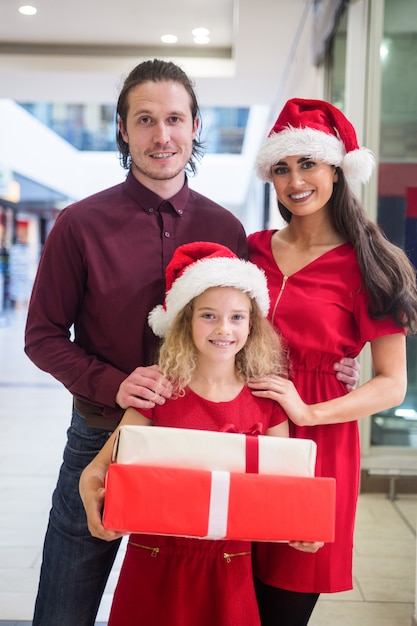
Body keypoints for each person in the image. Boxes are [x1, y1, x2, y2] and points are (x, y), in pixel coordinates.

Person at [24, 58, 358, 625]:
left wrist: (335, 362)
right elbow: (42, 336)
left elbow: (255, 316)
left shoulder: (225, 229)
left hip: (207, 442)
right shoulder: (79, 225)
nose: (163, 135)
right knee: (64, 605)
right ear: (123, 129)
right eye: (146, 119)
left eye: (175, 118)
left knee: (191, 599)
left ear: (196, 125)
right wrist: (116, 382)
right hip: (103, 429)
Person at [246, 98, 417, 626]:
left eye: (308, 163)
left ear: (338, 169)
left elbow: (392, 384)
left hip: (318, 441)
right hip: (242, 428)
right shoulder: (248, 250)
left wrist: (308, 410)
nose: (295, 180)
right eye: (282, 167)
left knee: (284, 600)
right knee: (229, 591)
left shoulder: (371, 263)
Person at [79, 241, 290, 626]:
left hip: (229, 571)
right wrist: (95, 503)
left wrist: (300, 530)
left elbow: (289, 493)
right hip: (152, 563)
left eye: (237, 317)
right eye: (209, 315)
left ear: (253, 325)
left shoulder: (268, 402)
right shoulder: (159, 392)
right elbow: (96, 470)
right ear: (185, 322)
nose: (224, 329)